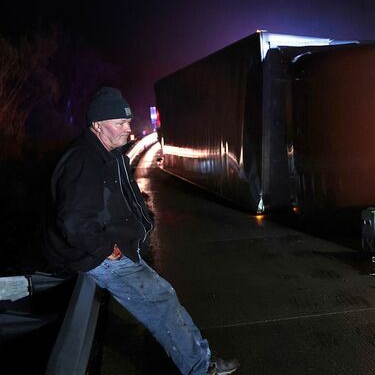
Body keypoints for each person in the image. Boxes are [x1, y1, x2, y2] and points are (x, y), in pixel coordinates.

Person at [43, 87, 239, 375]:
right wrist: (107, 250)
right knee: (161, 301)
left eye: (128, 121)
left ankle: (201, 360)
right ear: (98, 125)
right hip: (96, 253)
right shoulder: (83, 161)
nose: (128, 128)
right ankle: (200, 367)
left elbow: (124, 196)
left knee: (164, 296)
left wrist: (143, 220)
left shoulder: (110, 154)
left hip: (112, 244)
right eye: (120, 123)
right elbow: (73, 221)